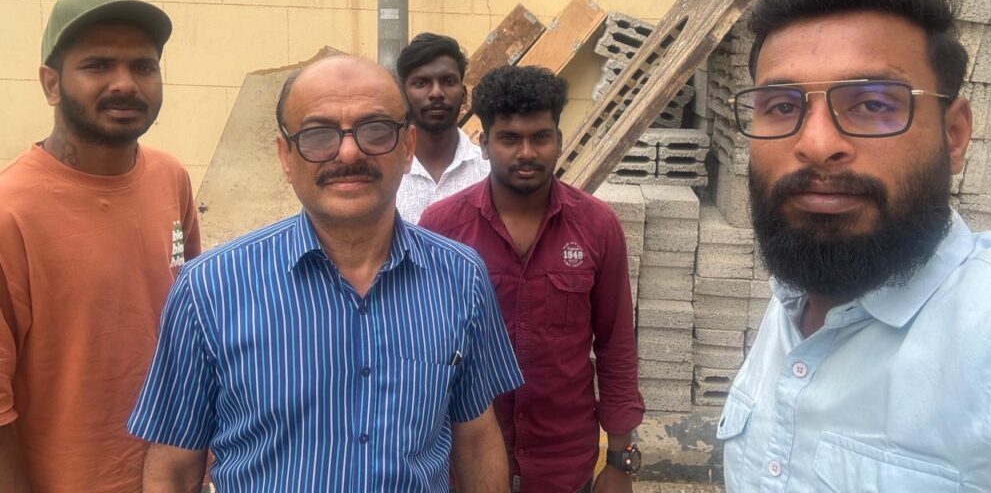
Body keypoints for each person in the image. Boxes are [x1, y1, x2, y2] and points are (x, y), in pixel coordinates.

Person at [128, 54, 522, 492]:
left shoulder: (461, 278)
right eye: (318, 135)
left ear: (407, 146)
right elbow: (173, 465)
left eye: (375, 130)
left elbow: (476, 438)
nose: (349, 152)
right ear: (286, 157)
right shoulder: (209, 289)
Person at [718, 0, 991, 491]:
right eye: (782, 106)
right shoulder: (798, 292)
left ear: (953, 135)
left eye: (873, 104)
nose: (816, 144)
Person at [0, 0, 201, 493]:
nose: (125, 84)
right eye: (98, 65)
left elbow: (193, 324)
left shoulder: (171, 179)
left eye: (143, 66)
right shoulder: (10, 212)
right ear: (51, 84)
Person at [420, 66, 644, 493]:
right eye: (509, 138)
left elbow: (616, 345)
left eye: (540, 137)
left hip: (563, 462)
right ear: (484, 144)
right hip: (466, 462)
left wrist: (620, 461)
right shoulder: (441, 228)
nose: (526, 152)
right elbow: (422, 346)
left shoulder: (597, 227)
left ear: (558, 139)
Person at [396, 33, 489, 224]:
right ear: (403, 95)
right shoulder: (386, 172)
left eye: (448, 81)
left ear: (463, 95)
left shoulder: (489, 171)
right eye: (421, 83)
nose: (436, 93)